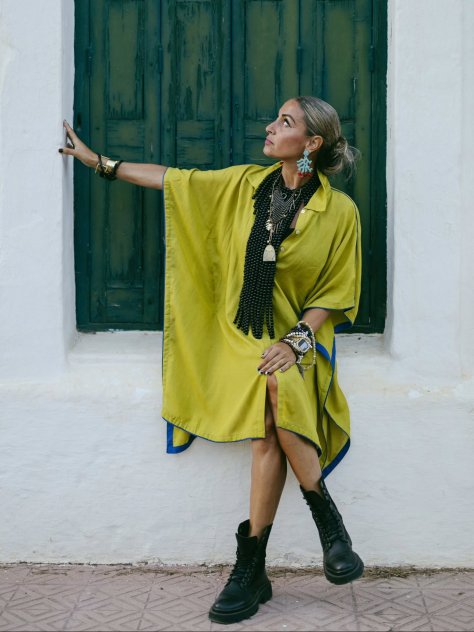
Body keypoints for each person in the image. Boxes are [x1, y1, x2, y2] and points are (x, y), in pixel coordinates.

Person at [60, 95, 363, 625]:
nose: (270, 127)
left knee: (272, 411)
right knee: (273, 391)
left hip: (296, 339)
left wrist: (293, 342)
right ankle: (329, 526)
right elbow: (172, 180)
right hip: (235, 332)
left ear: (311, 143)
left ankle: (251, 568)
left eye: (285, 122)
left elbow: (335, 293)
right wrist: (99, 162)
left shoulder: (339, 213)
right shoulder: (244, 184)